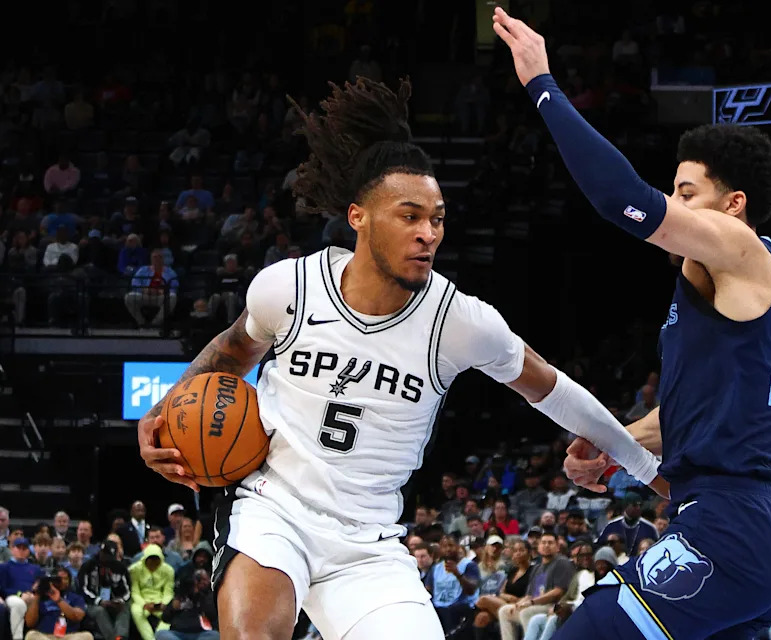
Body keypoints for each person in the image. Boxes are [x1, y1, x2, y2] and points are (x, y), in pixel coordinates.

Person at [137, 77, 661, 640]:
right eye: (409, 216)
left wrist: (646, 467)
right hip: (273, 509)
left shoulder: (459, 321)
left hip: (369, 541)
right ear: (359, 217)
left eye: (436, 218)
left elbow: (554, 390)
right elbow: (231, 349)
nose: (427, 233)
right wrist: (164, 410)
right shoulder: (288, 287)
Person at [494, 9, 771, 637]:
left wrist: (542, 85)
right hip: (745, 531)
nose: (675, 205)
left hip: (728, 528)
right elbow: (696, 413)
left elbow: (620, 198)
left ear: (733, 205)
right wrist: (615, 443)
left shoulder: (744, 249)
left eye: (687, 193)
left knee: (584, 632)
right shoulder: (724, 299)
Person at [424, 536, 478, 634]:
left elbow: (471, 590)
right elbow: (427, 590)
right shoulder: (436, 568)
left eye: (451, 545)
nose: (448, 549)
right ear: (440, 549)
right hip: (439, 607)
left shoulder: (469, 565)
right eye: (444, 546)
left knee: (451, 612)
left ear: (458, 547)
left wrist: (458, 574)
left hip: (460, 607)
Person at [78, 540, 131, 640]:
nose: (107, 560)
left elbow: (127, 591)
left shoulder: (120, 568)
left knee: (124, 608)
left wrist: (119, 601)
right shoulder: (88, 566)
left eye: (110, 557)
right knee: (100, 611)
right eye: (105, 556)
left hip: (113, 601)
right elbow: (83, 589)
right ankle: (112, 638)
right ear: (100, 552)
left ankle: (120, 637)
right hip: (92, 603)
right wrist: (100, 601)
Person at [23, 567, 90, 640]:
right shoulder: (41, 598)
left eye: (65, 579)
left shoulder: (75, 598)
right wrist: (37, 595)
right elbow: (30, 623)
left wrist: (59, 600)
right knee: (31, 635)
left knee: (87, 636)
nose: (63, 581)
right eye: (59, 579)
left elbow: (77, 617)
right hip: (45, 637)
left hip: (68, 637)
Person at [156, 569, 218, 640]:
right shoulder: (179, 597)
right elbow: (165, 618)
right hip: (177, 633)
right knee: (160, 634)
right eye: (200, 580)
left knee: (215, 635)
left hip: (200, 633)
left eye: (205, 580)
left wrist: (200, 595)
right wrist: (172, 608)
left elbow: (212, 615)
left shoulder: (207, 596)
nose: (203, 583)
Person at [2, 537, 44, 640]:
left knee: (42, 604)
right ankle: (17, 638)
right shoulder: (4, 567)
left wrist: (33, 593)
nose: (21, 550)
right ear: (12, 549)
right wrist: (20, 594)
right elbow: (2, 588)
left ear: (28, 551)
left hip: (32, 596)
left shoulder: (35, 568)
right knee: (18, 603)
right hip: (12, 597)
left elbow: (41, 585)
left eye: (24, 548)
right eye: (18, 547)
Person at [128, 545, 173, 640]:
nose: (153, 564)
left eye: (156, 561)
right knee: (136, 611)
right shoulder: (134, 570)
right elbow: (135, 591)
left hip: (160, 600)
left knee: (170, 613)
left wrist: (163, 604)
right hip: (142, 600)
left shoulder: (168, 570)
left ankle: (159, 636)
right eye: (150, 561)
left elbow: (168, 592)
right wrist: (144, 604)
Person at [594, 491, 656, 556]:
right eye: (635, 505)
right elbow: (599, 546)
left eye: (640, 505)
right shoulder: (612, 525)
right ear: (625, 506)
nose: (638, 508)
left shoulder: (649, 527)